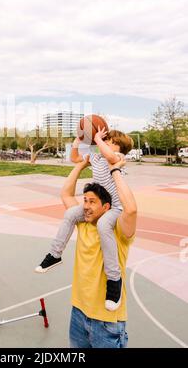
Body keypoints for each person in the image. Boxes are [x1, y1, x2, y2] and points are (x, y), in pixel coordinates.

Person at [35, 128, 133, 311]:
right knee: (70, 214)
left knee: (104, 225)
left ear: (119, 147)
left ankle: (114, 279)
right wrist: (77, 142)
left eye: (110, 141)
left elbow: (110, 156)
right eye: (106, 140)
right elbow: (75, 159)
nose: (105, 142)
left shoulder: (117, 157)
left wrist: (96, 138)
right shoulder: (97, 158)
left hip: (114, 208)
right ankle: (55, 255)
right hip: (98, 206)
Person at [65, 157, 136, 348]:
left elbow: (130, 209)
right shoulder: (83, 224)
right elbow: (65, 193)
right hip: (78, 312)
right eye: (85, 201)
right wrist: (81, 165)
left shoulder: (117, 232)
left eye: (92, 202)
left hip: (106, 322)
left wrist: (115, 170)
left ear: (106, 207)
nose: (86, 206)